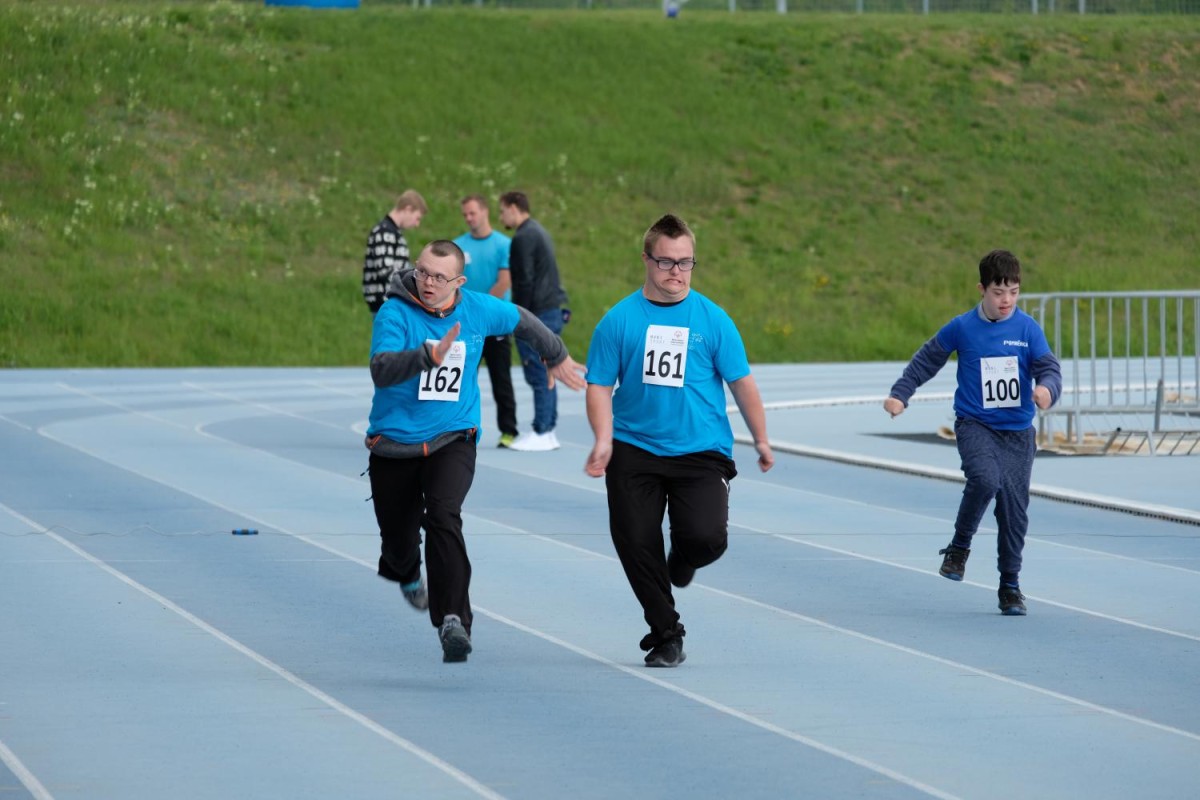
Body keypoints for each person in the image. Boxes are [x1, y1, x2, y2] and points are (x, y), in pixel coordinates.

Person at [365, 239, 587, 663]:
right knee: (398, 542)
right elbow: (381, 369)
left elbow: (522, 319)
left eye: (439, 277)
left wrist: (555, 353)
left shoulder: (478, 309)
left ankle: (453, 620)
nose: (428, 282)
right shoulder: (395, 313)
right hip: (394, 445)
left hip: (453, 436)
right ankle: (407, 571)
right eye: (422, 272)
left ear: (459, 282)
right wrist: (426, 356)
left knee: (444, 515)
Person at [584, 214, 774, 668]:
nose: (676, 271)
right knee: (635, 540)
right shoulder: (618, 321)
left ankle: (685, 557)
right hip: (634, 447)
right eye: (666, 262)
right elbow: (598, 385)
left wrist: (762, 440)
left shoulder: (713, 320)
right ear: (646, 260)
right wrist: (603, 438)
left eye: (685, 262)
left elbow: (741, 383)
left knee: (706, 539)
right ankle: (666, 633)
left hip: (700, 451)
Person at [883, 249, 1062, 616]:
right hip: (975, 425)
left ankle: (1010, 586)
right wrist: (901, 393)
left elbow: (1049, 368)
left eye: (1013, 292)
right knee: (984, 479)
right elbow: (928, 359)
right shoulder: (962, 327)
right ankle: (959, 547)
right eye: (998, 292)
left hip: (1018, 433)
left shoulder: (1027, 329)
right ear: (982, 290)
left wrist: (1047, 389)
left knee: (1014, 513)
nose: (1006, 300)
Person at [498, 191, 570, 452]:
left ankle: (542, 430)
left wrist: (519, 318)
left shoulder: (523, 237)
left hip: (538, 312)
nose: (500, 217)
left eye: (502, 211)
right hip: (550, 308)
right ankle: (548, 430)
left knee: (538, 371)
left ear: (514, 207)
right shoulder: (539, 231)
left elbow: (525, 280)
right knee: (548, 371)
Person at [453, 194, 520, 449]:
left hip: (495, 325)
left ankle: (508, 431)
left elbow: (504, 282)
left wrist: (482, 312)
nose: (469, 218)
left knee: (501, 379)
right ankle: (455, 426)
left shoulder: (503, 244)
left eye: (472, 213)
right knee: (462, 378)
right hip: (466, 326)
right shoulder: (458, 246)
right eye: (465, 215)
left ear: (484, 212)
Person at [362, 189, 428, 314]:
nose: (417, 224)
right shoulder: (384, 232)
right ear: (408, 209)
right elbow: (385, 272)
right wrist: (412, 290)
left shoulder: (393, 233)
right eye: (417, 218)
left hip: (392, 302)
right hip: (385, 303)